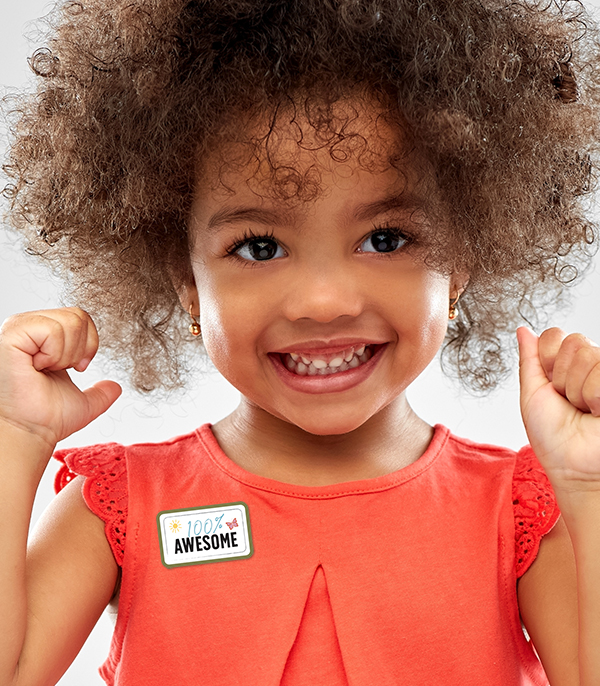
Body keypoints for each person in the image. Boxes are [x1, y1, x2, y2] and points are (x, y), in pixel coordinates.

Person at [1, 0, 600, 684]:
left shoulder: (517, 512)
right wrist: (11, 433)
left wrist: (589, 487)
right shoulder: (124, 506)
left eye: (386, 239)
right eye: (259, 246)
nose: (325, 302)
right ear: (185, 281)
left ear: (461, 262)